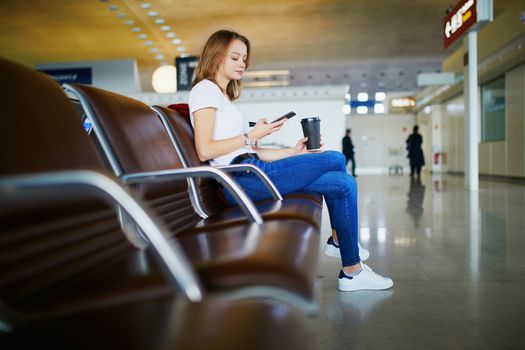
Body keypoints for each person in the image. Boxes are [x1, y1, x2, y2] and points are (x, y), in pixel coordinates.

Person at [188, 29, 392, 292]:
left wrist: (295, 152)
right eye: (235, 58)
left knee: (343, 182)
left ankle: (351, 270)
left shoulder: (224, 97)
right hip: (240, 181)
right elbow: (205, 150)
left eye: (245, 60)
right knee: (335, 158)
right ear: (216, 56)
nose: (242, 64)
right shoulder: (205, 90)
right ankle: (339, 242)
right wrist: (250, 134)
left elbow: (254, 152)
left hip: (251, 170)